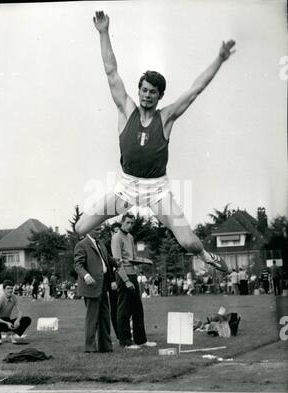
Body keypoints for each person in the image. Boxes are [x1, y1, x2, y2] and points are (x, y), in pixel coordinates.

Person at [75, 11, 235, 275]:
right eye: (144, 90)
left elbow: (195, 89)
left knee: (188, 242)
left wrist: (219, 59)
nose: (147, 95)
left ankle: (208, 255)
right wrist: (103, 32)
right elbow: (111, 71)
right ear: (139, 91)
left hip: (157, 191)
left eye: (153, 92)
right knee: (81, 228)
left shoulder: (166, 117)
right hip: (126, 188)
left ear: (160, 96)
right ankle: (109, 261)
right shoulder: (127, 110)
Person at [111, 213, 157, 350]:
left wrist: (144, 262)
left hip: (132, 275)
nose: (130, 225)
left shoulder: (130, 237)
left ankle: (141, 340)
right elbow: (118, 262)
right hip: (123, 275)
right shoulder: (116, 238)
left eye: (132, 223)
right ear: (122, 222)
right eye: (128, 223)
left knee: (138, 308)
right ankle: (125, 342)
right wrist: (126, 280)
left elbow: (133, 257)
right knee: (124, 310)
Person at [74, 226, 118, 353]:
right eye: (97, 229)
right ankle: (90, 347)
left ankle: (106, 346)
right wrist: (86, 276)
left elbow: (107, 260)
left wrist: (117, 261)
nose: (99, 232)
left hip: (103, 284)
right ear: (89, 229)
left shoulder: (101, 243)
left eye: (100, 230)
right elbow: (78, 264)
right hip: (91, 286)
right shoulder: (81, 245)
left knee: (105, 317)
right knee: (92, 318)